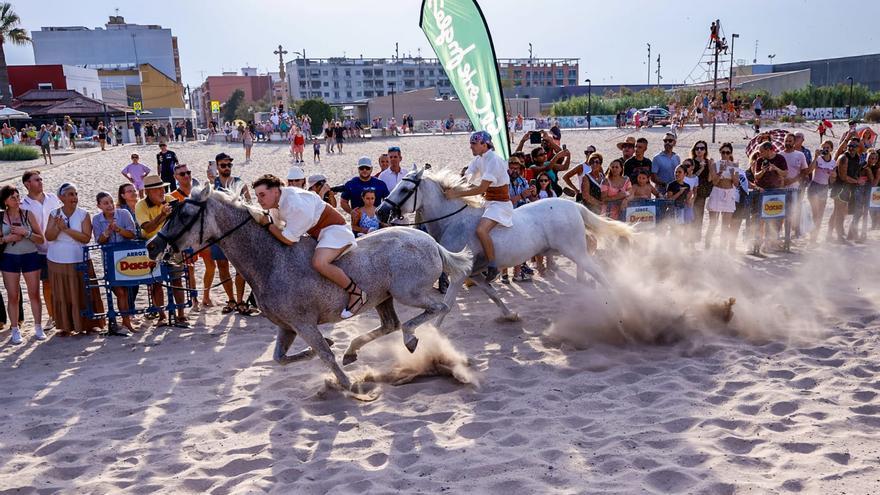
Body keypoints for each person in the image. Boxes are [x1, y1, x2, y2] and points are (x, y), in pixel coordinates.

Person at [252, 174, 366, 319]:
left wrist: (267, 224)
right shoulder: (277, 202)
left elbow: (288, 239)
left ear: (275, 191)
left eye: (262, 195)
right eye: (257, 196)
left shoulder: (294, 204)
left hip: (335, 231)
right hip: (316, 234)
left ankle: (357, 293)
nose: (259, 200)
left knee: (319, 263)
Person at [444, 131, 513, 282]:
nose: (471, 147)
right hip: (487, 202)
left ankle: (493, 265)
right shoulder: (478, 159)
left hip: (500, 204)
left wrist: (456, 194)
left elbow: (481, 189)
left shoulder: (494, 160)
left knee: (481, 230)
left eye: (473, 144)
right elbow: (466, 178)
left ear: (484, 144)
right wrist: (451, 185)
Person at [45, 183, 105, 335]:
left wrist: (66, 229)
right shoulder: (54, 214)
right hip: (57, 260)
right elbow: (49, 237)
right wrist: (57, 227)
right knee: (62, 294)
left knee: (83, 292)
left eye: (76, 194)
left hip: (79, 259)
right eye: (71, 194)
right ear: (61, 197)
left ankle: (88, 324)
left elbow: (85, 238)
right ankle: (66, 326)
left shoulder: (83, 214)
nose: (74, 197)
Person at [135, 176, 188, 327]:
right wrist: (162, 215)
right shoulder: (141, 205)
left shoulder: (170, 199)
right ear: (148, 192)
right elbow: (147, 228)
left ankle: (181, 314)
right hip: (154, 247)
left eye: (162, 188)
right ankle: (162, 316)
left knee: (177, 279)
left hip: (171, 245)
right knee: (156, 283)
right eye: (157, 189)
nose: (161, 192)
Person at [0, 186, 45, 344]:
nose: (17, 200)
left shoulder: (27, 214)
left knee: (34, 293)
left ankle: (38, 327)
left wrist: (26, 233)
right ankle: (14, 329)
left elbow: (41, 239)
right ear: (5, 201)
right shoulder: (1, 217)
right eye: (12, 197)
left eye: (18, 196)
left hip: (30, 255)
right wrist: (7, 238)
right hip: (9, 258)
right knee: (13, 296)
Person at [212, 153, 255, 316]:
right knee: (222, 266)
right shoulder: (212, 185)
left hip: (238, 233)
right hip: (219, 233)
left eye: (229, 165)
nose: (227, 168)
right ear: (217, 166)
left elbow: (249, 205)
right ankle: (230, 300)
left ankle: (240, 300)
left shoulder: (240, 183)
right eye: (223, 165)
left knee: (240, 268)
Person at [20, 170, 62, 331]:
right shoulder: (23, 205)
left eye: (41, 179)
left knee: (62, 282)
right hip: (39, 250)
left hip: (58, 246)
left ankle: (64, 314)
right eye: (36, 180)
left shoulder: (53, 198)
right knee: (47, 283)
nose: (40, 182)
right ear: (27, 184)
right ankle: (52, 316)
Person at [92, 191, 137, 335]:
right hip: (110, 261)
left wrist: (118, 230)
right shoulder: (97, 219)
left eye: (111, 202)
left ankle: (126, 320)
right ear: (99, 206)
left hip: (127, 259)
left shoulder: (124, 213)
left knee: (127, 290)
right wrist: (107, 232)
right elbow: (99, 241)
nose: (110, 205)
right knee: (119, 291)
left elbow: (132, 234)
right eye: (105, 203)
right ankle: (125, 321)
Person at [170, 163, 203, 311]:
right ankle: (194, 298)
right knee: (189, 269)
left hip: (203, 234)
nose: (186, 176)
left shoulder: (198, 193)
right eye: (182, 174)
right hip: (185, 238)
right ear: (175, 177)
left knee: (211, 266)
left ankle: (205, 297)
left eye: (188, 172)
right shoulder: (172, 197)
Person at [751, 142, 788, 254]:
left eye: (761, 151)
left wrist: (775, 168)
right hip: (762, 192)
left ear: (768, 150)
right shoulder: (760, 160)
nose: (760, 154)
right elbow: (756, 176)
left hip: (776, 192)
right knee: (760, 218)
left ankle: (770, 243)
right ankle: (758, 243)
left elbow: (785, 174)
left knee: (775, 218)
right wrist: (763, 170)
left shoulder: (780, 158)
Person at [705, 143, 740, 251]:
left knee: (726, 224)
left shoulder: (734, 165)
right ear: (720, 152)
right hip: (717, 192)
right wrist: (720, 172)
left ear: (730, 153)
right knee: (713, 223)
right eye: (723, 152)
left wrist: (733, 173)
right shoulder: (715, 165)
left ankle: (722, 248)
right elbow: (714, 182)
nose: (725, 155)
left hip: (729, 193)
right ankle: (707, 246)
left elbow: (736, 184)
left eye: (727, 152)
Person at [807, 140, 837, 243]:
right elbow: (809, 171)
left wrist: (834, 176)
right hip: (814, 187)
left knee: (820, 215)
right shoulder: (819, 159)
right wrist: (815, 157)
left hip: (824, 188)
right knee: (815, 214)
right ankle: (812, 237)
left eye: (827, 148)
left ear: (831, 149)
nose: (825, 149)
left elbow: (832, 181)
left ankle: (814, 237)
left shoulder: (833, 162)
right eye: (824, 147)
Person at [691, 141, 714, 243]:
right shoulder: (691, 162)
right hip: (690, 192)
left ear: (705, 150)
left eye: (702, 148)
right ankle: (688, 241)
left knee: (699, 216)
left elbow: (709, 179)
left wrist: (710, 167)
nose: (699, 150)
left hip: (702, 193)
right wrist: (701, 168)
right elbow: (690, 176)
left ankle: (695, 241)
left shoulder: (708, 162)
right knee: (690, 216)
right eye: (697, 148)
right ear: (694, 150)